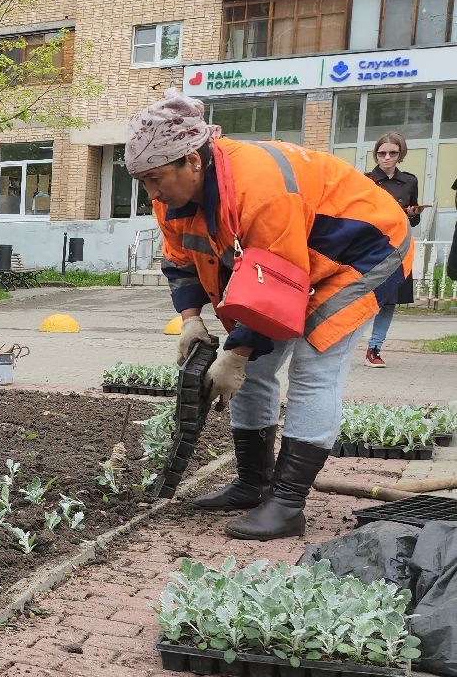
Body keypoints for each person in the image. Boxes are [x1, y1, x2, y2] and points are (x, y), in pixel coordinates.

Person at [129, 91, 412, 541]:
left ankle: (287, 504)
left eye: (156, 179)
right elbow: (181, 258)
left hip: (360, 252)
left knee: (313, 367)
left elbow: (278, 283)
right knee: (256, 369)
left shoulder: (258, 185)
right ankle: (252, 482)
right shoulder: (171, 195)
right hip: (292, 261)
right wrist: (190, 319)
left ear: (193, 161)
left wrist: (235, 355)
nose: (152, 192)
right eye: (142, 181)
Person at [362, 132, 422, 368]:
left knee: (389, 301)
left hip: (398, 247)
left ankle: (374, 349)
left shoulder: (410, 181)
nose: (387, 157)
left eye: (392, 153)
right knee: (362, 298)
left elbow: (413, 222)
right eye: (382, 153)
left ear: (401, 154)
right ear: (376, 154)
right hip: (371, 247)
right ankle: (341, 345)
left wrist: (412, 214)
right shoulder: (365, 180)